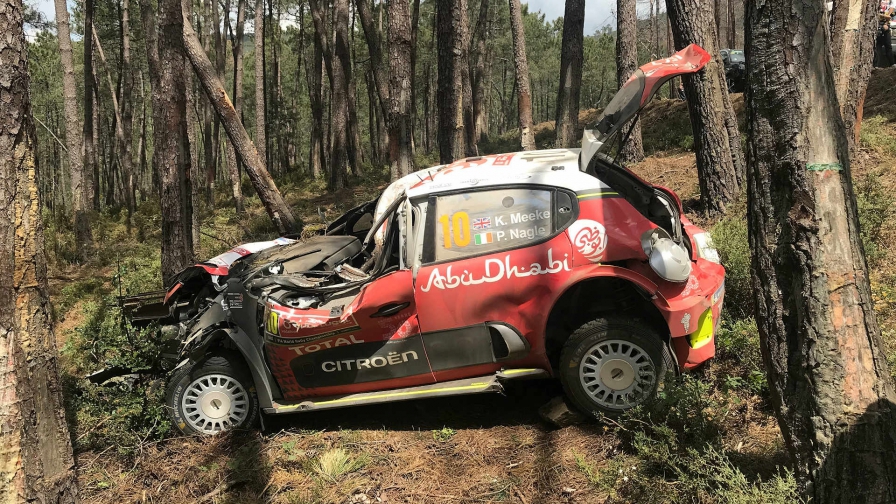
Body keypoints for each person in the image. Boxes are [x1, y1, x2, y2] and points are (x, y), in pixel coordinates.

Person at [875, 0, 895, 67]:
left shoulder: (892, 1)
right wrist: (884, 17)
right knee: (878, 47)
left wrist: (886, 23)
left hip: (886, 24)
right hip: (876, 24)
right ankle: (877, 66)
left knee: (888, 46)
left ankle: (892, 64)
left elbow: (890, 13)